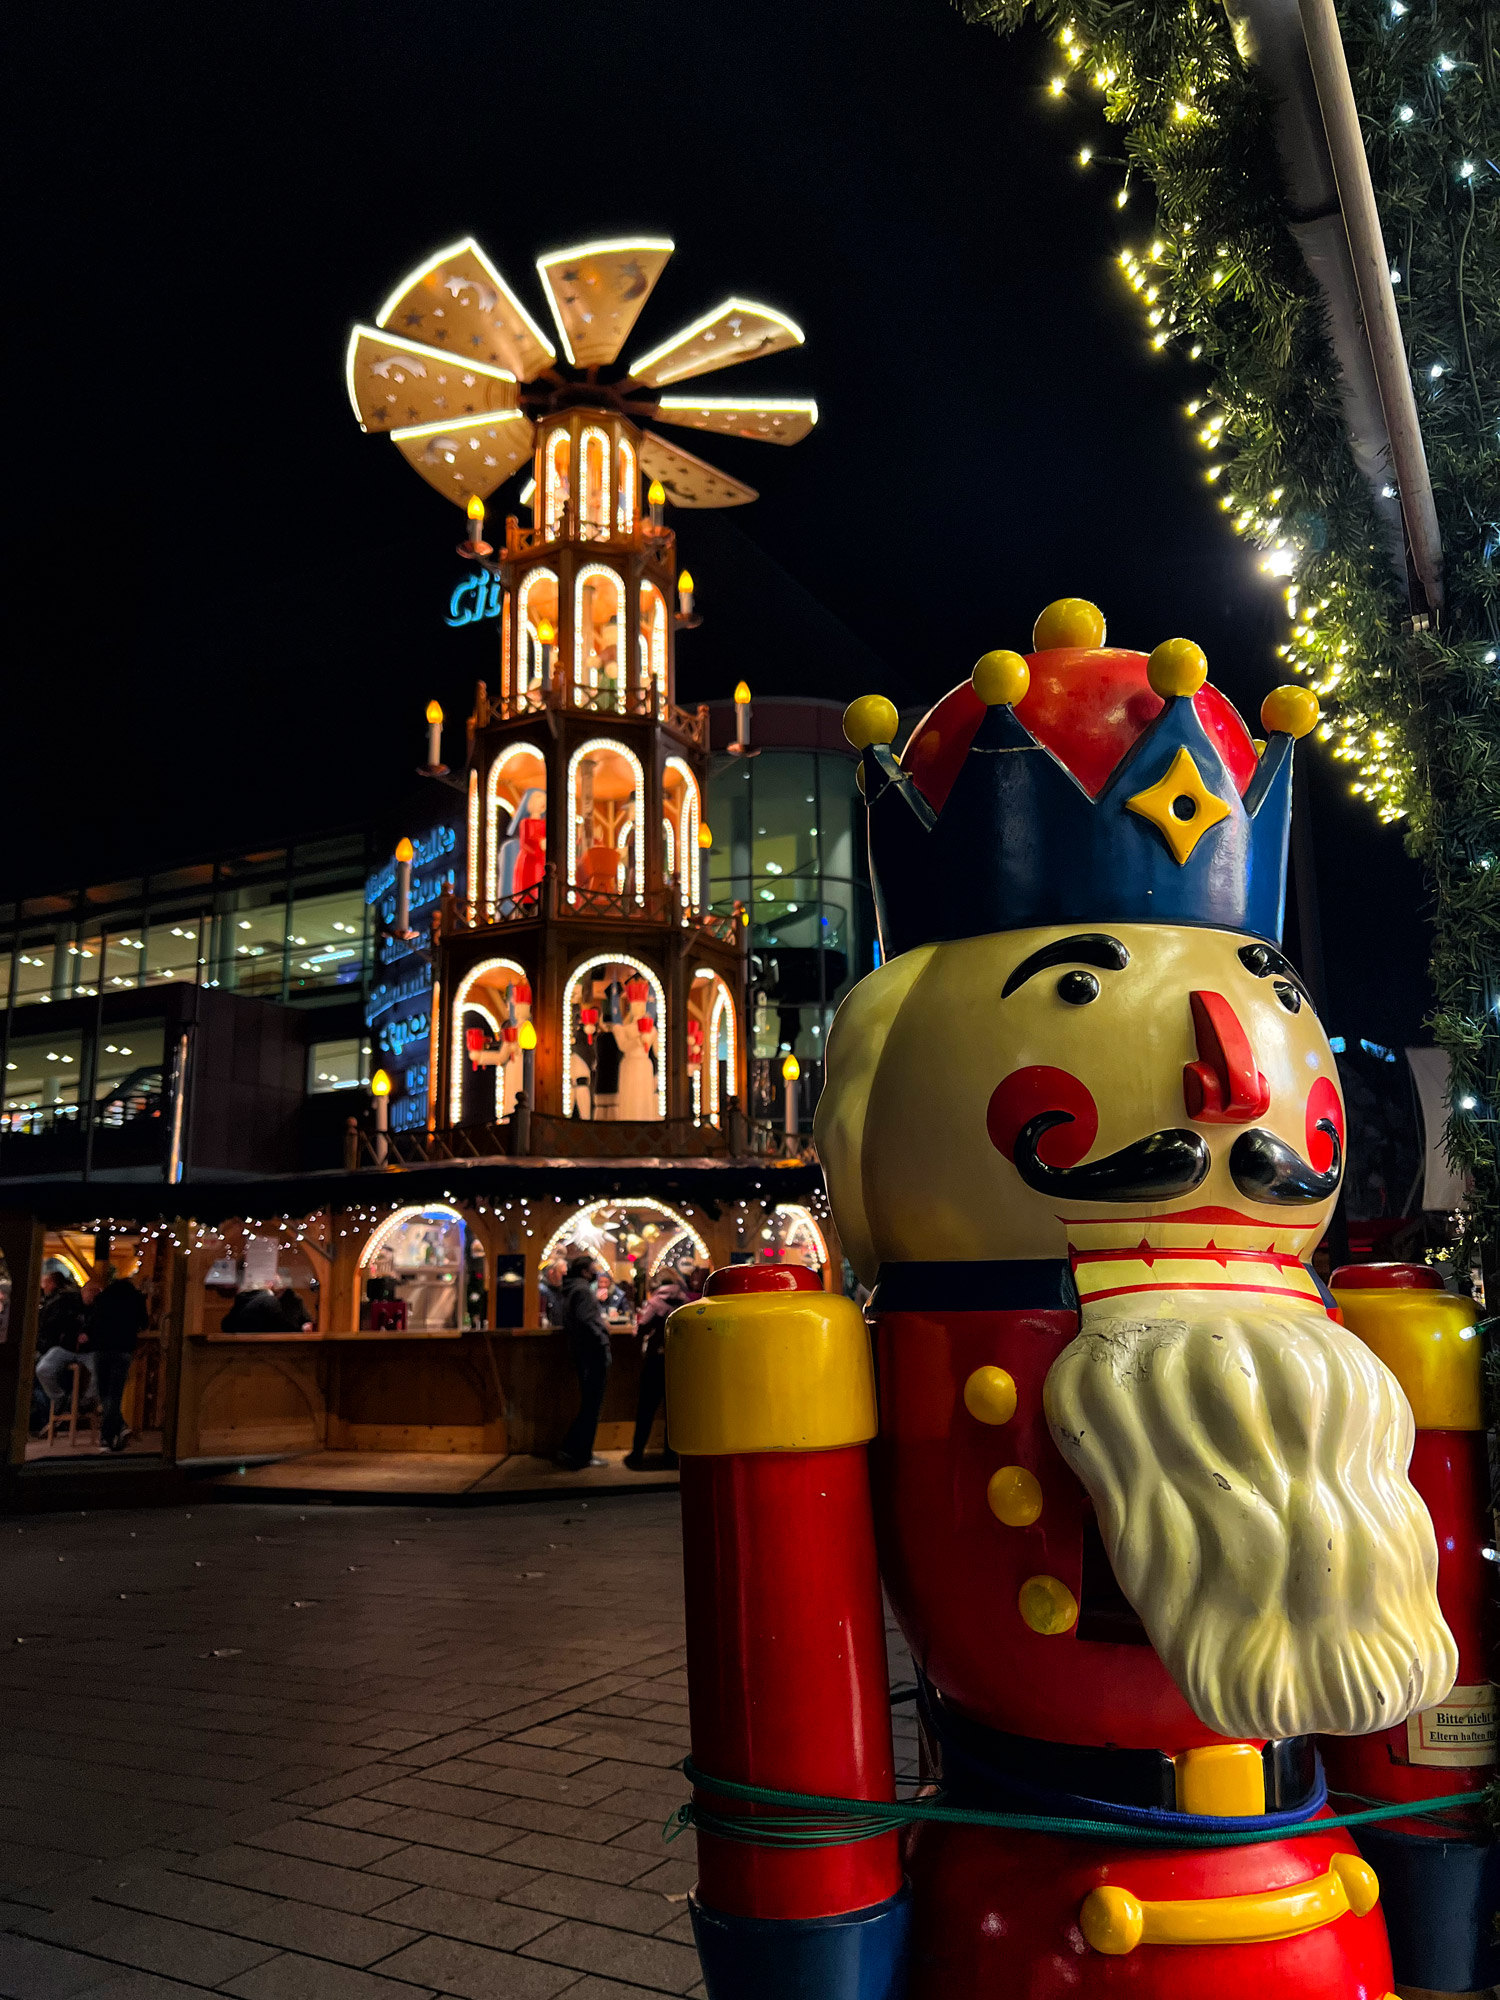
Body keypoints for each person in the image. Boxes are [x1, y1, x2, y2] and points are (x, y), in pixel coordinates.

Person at [624, 1264, 696, 1470]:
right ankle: (671, 1455)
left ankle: (637, 1454)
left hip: (656, 1361)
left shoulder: (654, 1302)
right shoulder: (686, 1303)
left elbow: (639, 1330)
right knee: (673, 1412)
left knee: (646, 1408)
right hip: (680, 1362)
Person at [556, 1254, 611, 1470]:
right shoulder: (582, 1291)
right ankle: (579, 1453)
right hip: (592, 1353)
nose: (596, 1272)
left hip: (582, 1352)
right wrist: (603, 1338)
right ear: (585, 1271)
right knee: (591, 1405)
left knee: (588, 1404)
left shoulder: (572, 1289)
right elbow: (587, 1321)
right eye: (593, 1268)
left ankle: (572, 1450)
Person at [85, 1265, 148, 1452]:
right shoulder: (135, 1299)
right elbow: (143, 1323)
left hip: (101, 1349)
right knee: (114, 1394)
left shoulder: (103, 1298)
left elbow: (92, 1322)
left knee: (104, 1393)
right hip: (123, 1349)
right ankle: (112, 1433)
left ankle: (111, 1434)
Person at [31, 1269, 89, 1435]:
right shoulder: (71, 1299)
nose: (44, 1286)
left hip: (54, 1348)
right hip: (64, 1349)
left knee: (39, 1382)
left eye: (46, 1283)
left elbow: (49, 1327)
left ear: (52, 1283)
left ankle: (48, 1421)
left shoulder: (57, 1301)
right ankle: (57, 1417)